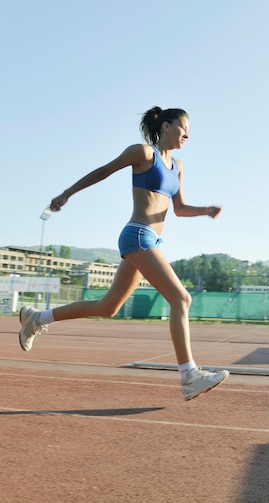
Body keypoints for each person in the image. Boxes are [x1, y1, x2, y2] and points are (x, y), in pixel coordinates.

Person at [18, 106, 229, 401]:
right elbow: (104, 171)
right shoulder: (144, 153)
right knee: (182, 298)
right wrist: (67, 193)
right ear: (166, 126)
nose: (187, 134)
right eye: (183, 128)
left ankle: (37, 318)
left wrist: (205, 210)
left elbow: (179, 209)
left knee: (107, 307)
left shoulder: (177, 166)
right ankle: (189, 375)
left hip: (151, 241)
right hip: (138, 236)